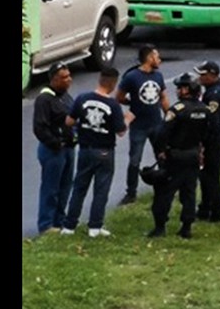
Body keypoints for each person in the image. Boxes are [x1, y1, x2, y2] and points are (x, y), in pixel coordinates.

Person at [61, 66, 126, 237]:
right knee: (101, 190)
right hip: (104, 151)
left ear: (100, 79)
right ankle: (95, 227)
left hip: (85, 150)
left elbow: (68, 121)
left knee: (79, 188)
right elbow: (120, 131)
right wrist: (128, 119)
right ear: (113, 84)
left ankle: (69, 226)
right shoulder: (113, 105)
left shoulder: (82, 98)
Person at [148, 73, 212, 239]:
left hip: (175, 156)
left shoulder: (177, 110)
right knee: (189, 192)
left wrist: (161, 151)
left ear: (187, 90)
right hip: (193, 155)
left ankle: (160, 227)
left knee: (164, 192)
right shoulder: (205, 110)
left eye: (180, 87)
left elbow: (162, 132)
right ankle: (186, 227)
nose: (177, 90)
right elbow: (208, 134)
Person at [117, 44, 166, 205]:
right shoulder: (131, 77)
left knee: (162, 156)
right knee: (134, 160)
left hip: (157, 123)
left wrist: (170, 116)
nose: (159, 60)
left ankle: (165, 187)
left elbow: (163, 98)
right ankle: (131, 192)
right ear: (149, 57)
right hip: (139, 126)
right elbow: (119, 96)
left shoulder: (158, 76)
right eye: (157, 56)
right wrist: (130, 104)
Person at [33, 65, 77, 235]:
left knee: (65, 187)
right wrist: (55, 143)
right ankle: (46, 224)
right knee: (51, 188)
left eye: (69, 76)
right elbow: (39, 128)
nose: (69, 80)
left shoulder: (66, 97)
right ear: (54, 79)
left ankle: (59, 221)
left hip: (69, 149)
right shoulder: (44, 99)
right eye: (64, 77)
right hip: (53, 151)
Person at [194, 60, 220, 223]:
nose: (200, 78)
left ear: (212, 75)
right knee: (206, 175)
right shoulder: (219, 89)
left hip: (214, 141)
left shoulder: (213, 95)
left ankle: (216, 211)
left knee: (211, 176)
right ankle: (205, 207)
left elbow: (212, 122)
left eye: (203, 75)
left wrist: (203, 142)